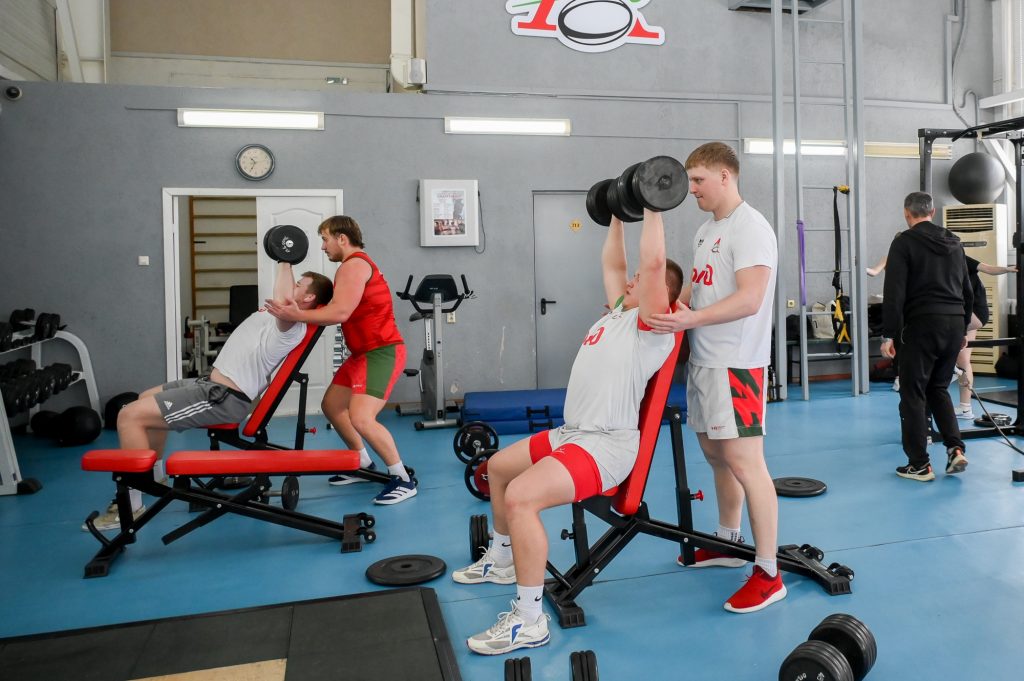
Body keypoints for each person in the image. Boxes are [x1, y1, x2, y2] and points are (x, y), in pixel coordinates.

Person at [451, 209, 682, 655]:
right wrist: (617, 215)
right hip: (572, 434)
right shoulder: (619, 313)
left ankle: (529, 619)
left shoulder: (653, 327)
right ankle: (502, 558)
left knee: (521, 497)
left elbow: (653, 263)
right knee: (498, 469)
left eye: (640, 279)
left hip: (604, 446)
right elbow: (612, 264)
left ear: (661, 295)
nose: (631, 279)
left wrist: (652, 207)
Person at [88, 262, 334, 531]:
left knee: (129, 416)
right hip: (209, 384)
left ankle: (130, 505)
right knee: (144, 397)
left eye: (299, 285)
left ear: (309, 297)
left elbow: (285, 300)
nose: (292, 286)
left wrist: (285, 259)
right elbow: (282, 299)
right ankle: (154, 478)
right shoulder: (278, 315)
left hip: (222, 397)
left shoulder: (291, 325)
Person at [646, 141, 784, 614]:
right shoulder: (707, 230)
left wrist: (691, 320)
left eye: (698, 180)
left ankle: (768, 572)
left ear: (726, 176)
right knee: (716, 456)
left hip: (737, 363)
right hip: (704, 361)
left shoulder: (752, 228)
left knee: (746, 463)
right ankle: (729, 541)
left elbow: (750, 298)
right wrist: (663, 308)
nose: (692, 190)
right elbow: (699, 288)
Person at [264, 216, 414, 505]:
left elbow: (340, 312)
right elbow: (337, 307)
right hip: (362, 354)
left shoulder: (353, 265)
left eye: (325, 239)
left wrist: (296, 315)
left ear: (341, 238)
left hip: (381, 352)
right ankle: (362, 463)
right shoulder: (353, 266)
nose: (323, 247)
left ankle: (402, 478)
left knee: (362, 417)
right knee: (332, 406)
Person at [880, 191, 972, 481]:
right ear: (932, 212)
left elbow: (894, 292)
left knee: (913, 394)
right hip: (953, 323)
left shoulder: (903, 242)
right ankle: (955, 448)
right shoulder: (954, 242)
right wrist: (963, 328)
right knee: (939, 388)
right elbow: (967, 289)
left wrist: (888, 334)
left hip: (921, 325)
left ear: (907, 214)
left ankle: (919, 464)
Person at [953, 257, 1017, 419]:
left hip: (973, 313)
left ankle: (949, 369)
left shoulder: (961, 258)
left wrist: (1007, 269)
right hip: (966, 313)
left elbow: (988, 268)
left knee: (938, 329)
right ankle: (966, 408)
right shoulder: (940, 262)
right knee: (964, 360)